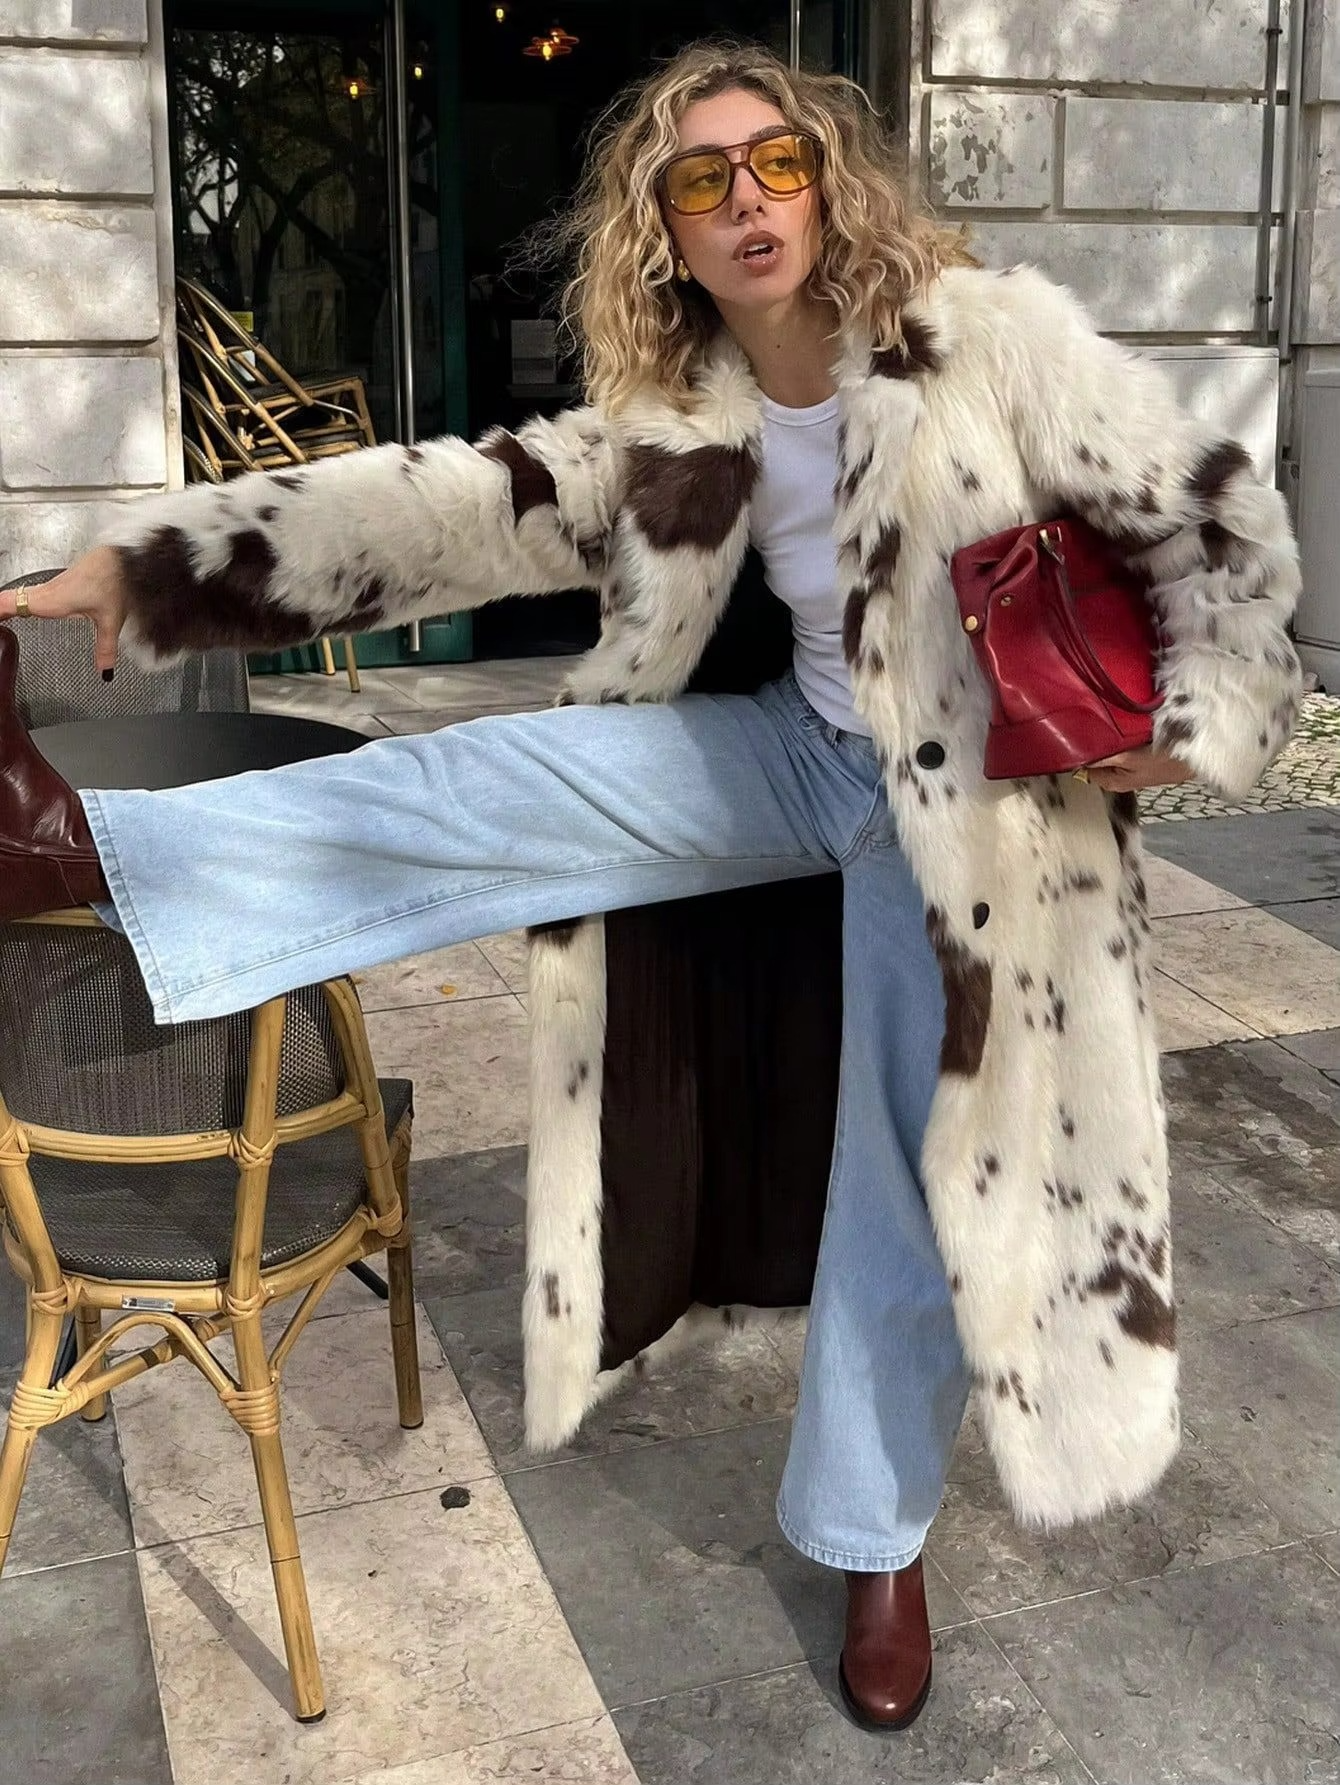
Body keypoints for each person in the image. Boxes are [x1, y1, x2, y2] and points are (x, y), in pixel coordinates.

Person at [0, 39, 1301, 1733]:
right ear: (665, 232)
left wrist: (1201, 720)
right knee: (480, 779)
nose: (748, 197)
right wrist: (147, 573)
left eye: (778, 163)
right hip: (799, 756)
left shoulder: (987, 344)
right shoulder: (686, 414)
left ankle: (875, 1541)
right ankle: (74, 848)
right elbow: (458, 508)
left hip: (983, 817)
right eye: (703, 179)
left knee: (912, 1176)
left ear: (828, 185)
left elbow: (1221, 519)